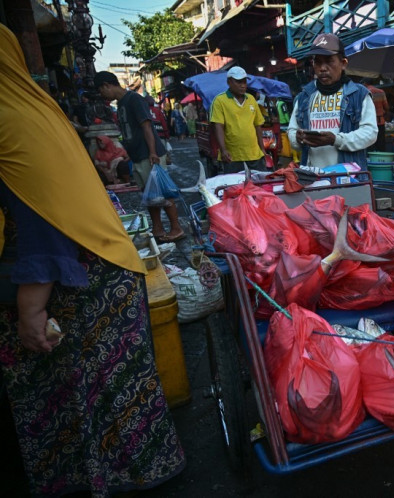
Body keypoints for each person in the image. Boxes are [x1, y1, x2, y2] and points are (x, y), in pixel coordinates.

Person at [0, 24, 185, 496]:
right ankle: (128, 470)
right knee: (109, 392)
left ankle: (118, 476)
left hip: (81, 272)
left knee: (95, 391)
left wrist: (31, 307)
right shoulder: (33, 108)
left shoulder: (10, 117)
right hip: (96, 261)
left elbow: (40, 215)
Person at [93, 71, 185, 243]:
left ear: (107, 85)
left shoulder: (134, 99)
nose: (102, 95)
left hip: (149, 153)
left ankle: (176, 228)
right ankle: (157, 227)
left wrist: (152, 152)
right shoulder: (121, 104)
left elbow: (146, 126)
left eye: (101, 90)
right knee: (150, 194)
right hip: (137, 156)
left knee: (163, 192)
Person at [288, 33, 377, 169]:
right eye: (317, 62)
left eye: (329, 61)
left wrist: (336, 140)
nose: (323, 68)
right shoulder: (304, 97)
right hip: (313, 176)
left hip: (348, 177)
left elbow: (370, 133)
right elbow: (292, 130)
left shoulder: (358, 95)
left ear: (343, 63)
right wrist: (298, 138)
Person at [210, 66, 268, 174]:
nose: (243, 85)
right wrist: (223, 150)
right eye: (238, 82)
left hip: (254, 154)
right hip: (233, 157)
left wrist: (262, 149)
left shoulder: (251, 99)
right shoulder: (220, 101)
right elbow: (218, 126)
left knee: (259, 186)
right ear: (229, 82)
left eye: (244, 82)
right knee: (235, 187)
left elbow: (257, 125)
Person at [365, 82, 390, 151]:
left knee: (370, 143)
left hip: (369, 121)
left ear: (365, 83)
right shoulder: (381, 92)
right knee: (381, 142)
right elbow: (386, 107)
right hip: (380, 121)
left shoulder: (365, 92)